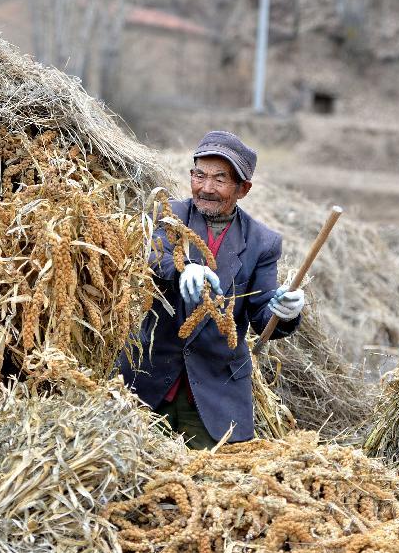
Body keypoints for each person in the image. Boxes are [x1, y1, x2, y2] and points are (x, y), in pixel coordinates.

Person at [118, 131, 305, 449]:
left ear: (243, 189)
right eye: (199, 175)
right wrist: (182, 269)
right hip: (147, 383)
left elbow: (261, 316)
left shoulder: (263, 242)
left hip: (216, 395)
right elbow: (147, 256)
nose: (206, 188)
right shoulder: (166, 214)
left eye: (220, 179)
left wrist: (284, 313)